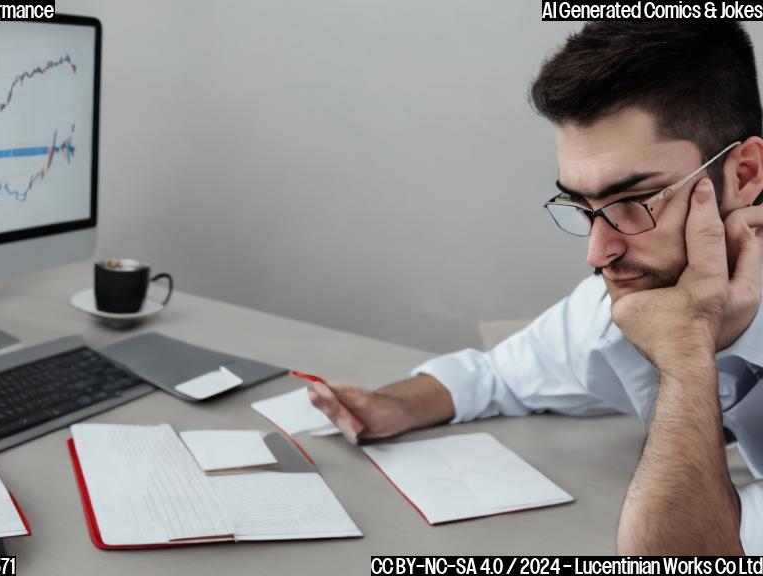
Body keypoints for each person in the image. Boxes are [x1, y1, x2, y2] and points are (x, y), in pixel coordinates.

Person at [308, 21, 763, 554]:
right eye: (582, 206)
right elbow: (499, 375)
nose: (598, 252)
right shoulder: (640, 293)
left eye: (636, 201)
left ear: (745, 174)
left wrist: (685, 356)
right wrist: (391, 406)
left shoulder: (661, 296)